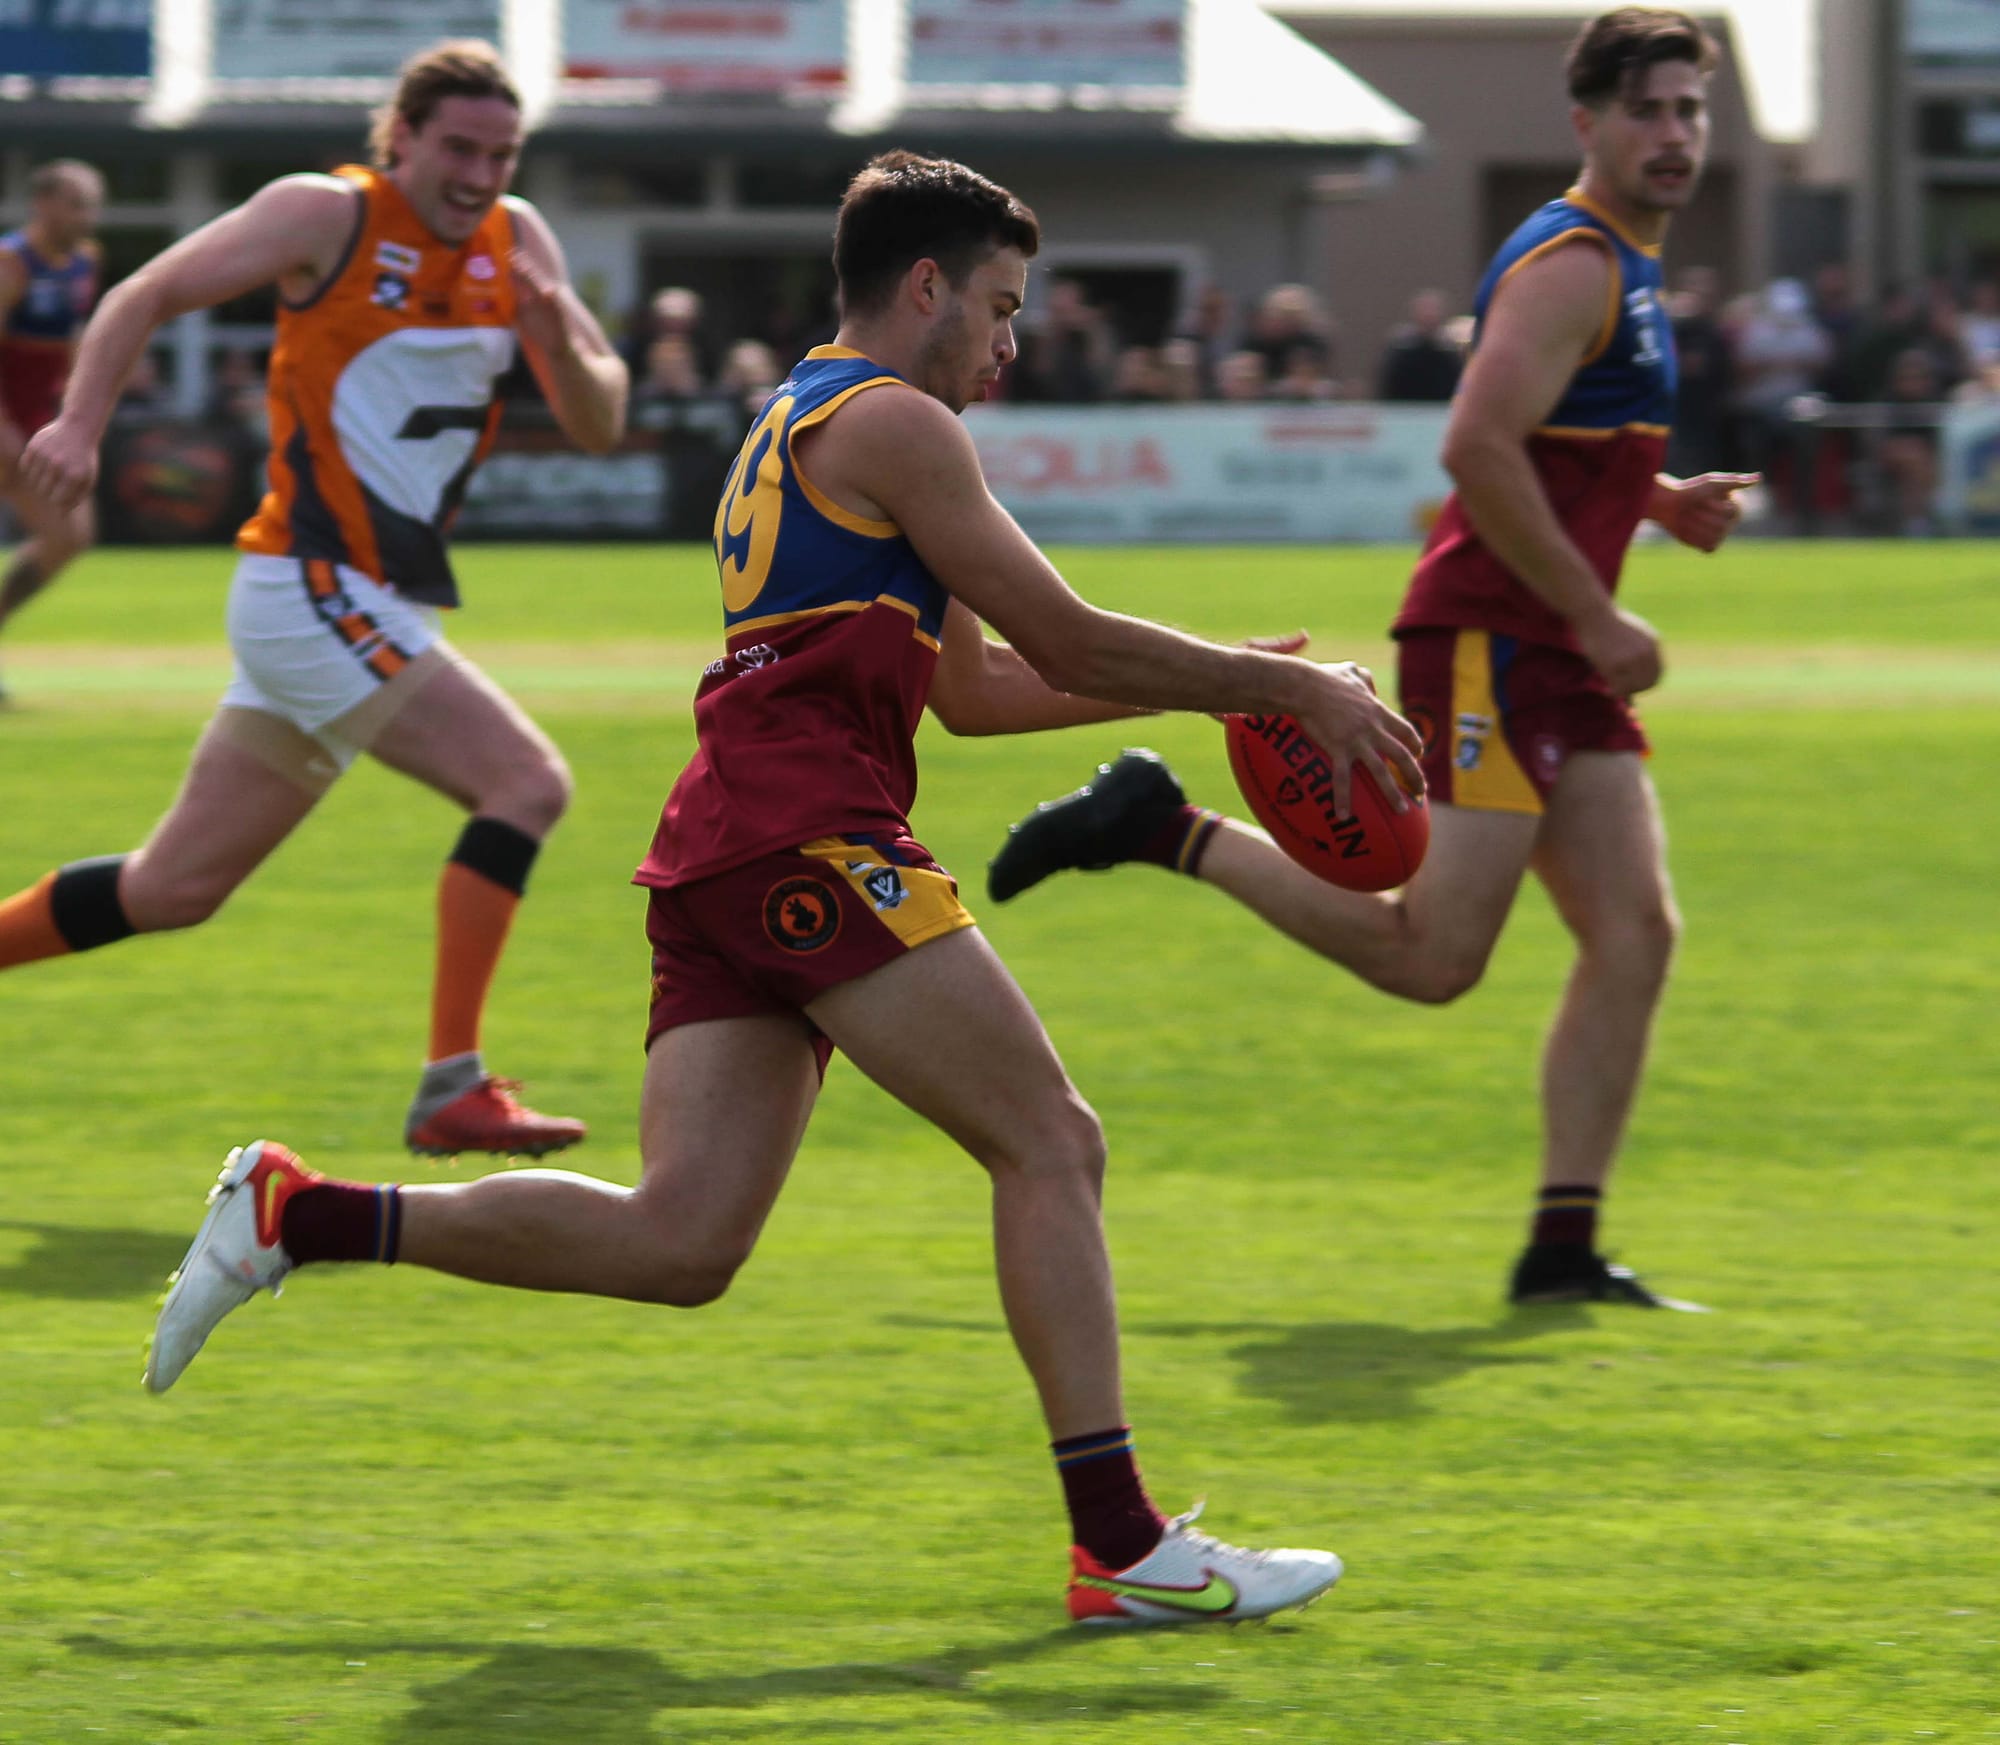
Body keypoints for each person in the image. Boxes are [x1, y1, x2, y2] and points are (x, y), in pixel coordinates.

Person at [143, 149, 1424, 1627]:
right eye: (1001, 307)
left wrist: (1226, 684)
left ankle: (300, 1214)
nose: (1011, 343)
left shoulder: (799, 415)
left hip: (726, 846)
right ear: (926, 286)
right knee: (1051, 1143)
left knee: (680, 1242)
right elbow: (1069, 637)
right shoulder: (897, 423)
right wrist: (1274, 685)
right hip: (808, 837)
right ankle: (1121, 1547)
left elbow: (978, 694)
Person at [988, 8, 1759, 1311]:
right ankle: (1162, 825)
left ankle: (1562, 1247)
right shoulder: (1574, 264)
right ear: (1588, 123)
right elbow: (1475, 447)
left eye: (1689, 109)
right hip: (1494, 640)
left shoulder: (1625, 263)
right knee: (1433, 955)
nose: (1673, 133)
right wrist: (1599, 613)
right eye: (1648, 110)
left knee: (1633, 933)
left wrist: (1658, 496)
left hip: (1550, 648)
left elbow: (1560, 444)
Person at [6, 41, 628, 1156]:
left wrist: (560, 348)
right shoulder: (325, 216)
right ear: (402, 138)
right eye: (457, 149)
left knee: (173, 888)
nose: (480, 176)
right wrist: (80, 423)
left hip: (367, 604)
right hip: (311, 585)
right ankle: (451, 1086)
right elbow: (147, 290)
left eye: (501, 154)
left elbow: (601, 420)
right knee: (526, 782)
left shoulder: (519, 239)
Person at [0, 159, 104, 700]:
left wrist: (77, 415)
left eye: (92, 205)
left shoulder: (85, 261)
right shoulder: (11, 262)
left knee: (69, 537)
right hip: (6, 422)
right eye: (77, 204)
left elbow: (73, 342)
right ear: (42, 203)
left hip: (37, 424)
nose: (88, 216)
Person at [1376, 289, 1464, 403]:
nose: (1429, 315)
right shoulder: (1399, 350)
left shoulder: (1450, 353)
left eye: (1433, 310)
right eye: (1425, 310)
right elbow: (1388, 386)